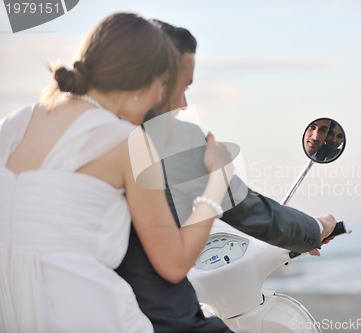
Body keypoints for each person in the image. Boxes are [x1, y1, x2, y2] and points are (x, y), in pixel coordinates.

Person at [0, 13, 234, 332]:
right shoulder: (128, 141)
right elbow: (174, 263)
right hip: (86, 315)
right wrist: (217, 182)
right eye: (163, 85)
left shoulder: (13, 125)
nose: (159, 100)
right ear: (144, 80)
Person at [116, 20, 339, 333]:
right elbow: (245, 208)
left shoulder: (96, 127)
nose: (184, 103)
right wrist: (316, 227)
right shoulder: (168, 136)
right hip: (148, 310)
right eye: (181, 89)